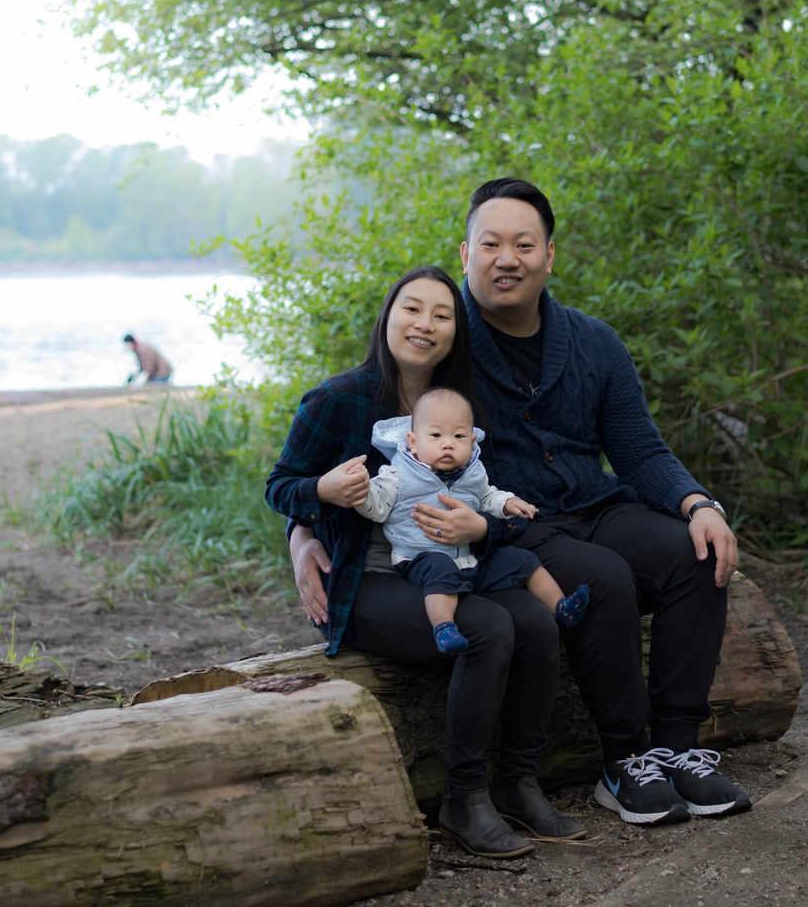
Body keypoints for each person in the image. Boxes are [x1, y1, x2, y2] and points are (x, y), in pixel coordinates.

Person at [292, 178, 751, 828]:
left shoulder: (594, 343)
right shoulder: (445, 345)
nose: (508, 258)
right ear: (466, 254)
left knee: (692, 553)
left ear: (549, 256)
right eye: (491, 243)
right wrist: (301, 529)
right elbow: (357, 427)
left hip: (596, 505)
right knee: (604, 577)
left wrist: (698, 502)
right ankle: (626, 761)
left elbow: (641, 452)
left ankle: (679, 748)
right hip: (503, 524)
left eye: (524, 244)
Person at [266, 266, 580, 858]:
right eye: (412, 309)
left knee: (536, 621)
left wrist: (484, 525)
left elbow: (499, 502)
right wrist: (312, 510)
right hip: (368, 580)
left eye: (441, 315)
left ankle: (519, 781)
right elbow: (280, 485)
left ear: (455, 333)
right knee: (487, 626)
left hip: (454, 570)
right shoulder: (338, 400)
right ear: (388, 315)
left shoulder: (464, 411)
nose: (425, 324)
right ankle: (463, 798)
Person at [357, 386, 590, 654]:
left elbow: (487, 496)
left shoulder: (472, 472)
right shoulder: (397, 473)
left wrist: (508, 503)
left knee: (522, 561)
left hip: (469, 559)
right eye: (435, 435)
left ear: (471, 441)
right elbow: (377, 506)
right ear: (413, 441)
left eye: (458, 436)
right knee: (440, 568)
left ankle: (561, 607)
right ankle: (443, 627)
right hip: (419, 556)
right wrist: (361, 493)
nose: (448, 443)